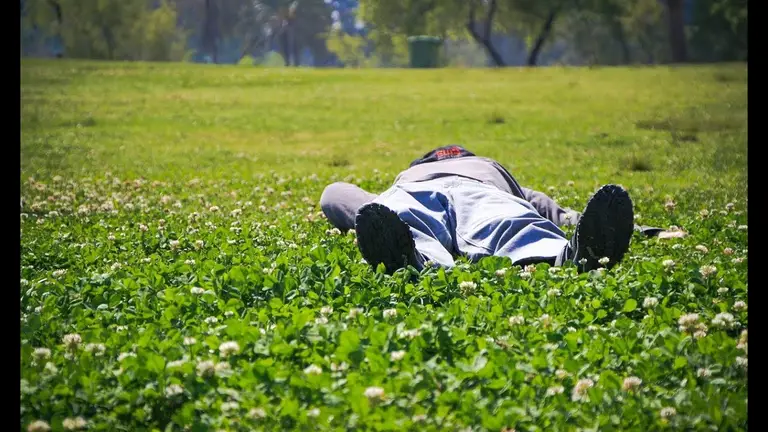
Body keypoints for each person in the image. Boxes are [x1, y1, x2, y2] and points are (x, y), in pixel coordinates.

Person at [320, 145, 663, 274]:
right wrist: (370, 209)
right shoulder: (486, 168)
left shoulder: (486, 169)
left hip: (447, 192)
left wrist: (367, 207)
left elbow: (336, 194)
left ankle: (574, 255)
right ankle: (410, 258)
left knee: (510, 220)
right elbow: (550, 209)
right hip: (437, 192)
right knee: (511, 221)